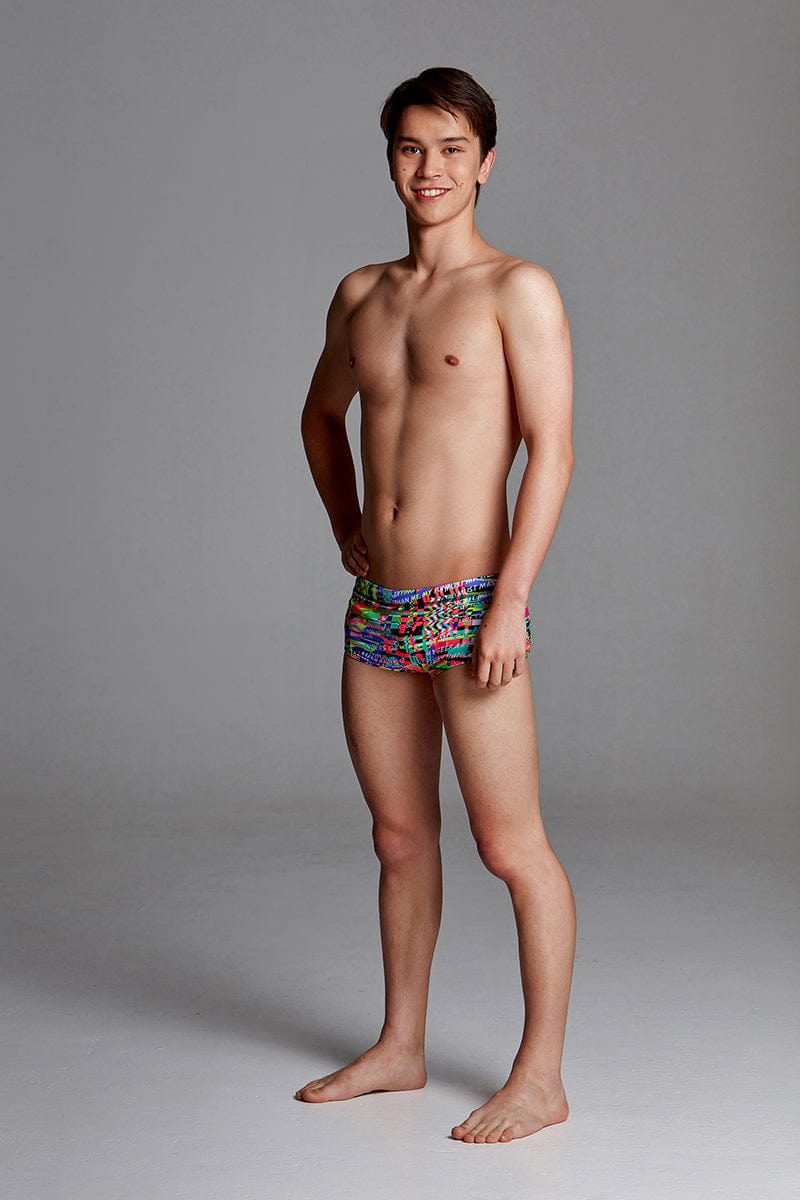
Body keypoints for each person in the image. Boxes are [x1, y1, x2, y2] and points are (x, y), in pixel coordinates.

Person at [296, 66, 576, 1145]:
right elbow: (319, 416)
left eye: (452, 149)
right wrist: (344, 523)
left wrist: (511, 601)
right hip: (379, 605)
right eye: (412, 147)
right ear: (390, 160)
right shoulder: (361, 295)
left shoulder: (518, 290)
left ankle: (539, 1078)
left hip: (470, 605)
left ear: (486, 162)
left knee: (511, 846)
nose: (430, 168)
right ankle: (400, 1046)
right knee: (400, 837)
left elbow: (552, 452)